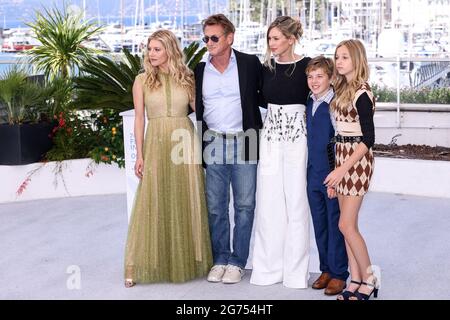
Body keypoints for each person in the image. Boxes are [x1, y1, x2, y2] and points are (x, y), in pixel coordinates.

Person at [124, 30, 212, 287]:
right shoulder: (141, 80)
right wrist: (140, 155)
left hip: (184, 141)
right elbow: (139, 119)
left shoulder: (187, 78)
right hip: (157, 143)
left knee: (186, 198)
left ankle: (191, 260)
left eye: (157, 49)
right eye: (149, 49)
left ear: (170, 50)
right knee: (153, 200)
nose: (151, 54)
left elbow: (200, 110)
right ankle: (139, 264)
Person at [194, 14, 263, 284]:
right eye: (206, 38)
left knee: (245, 205)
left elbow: (267, 93)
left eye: (214, 37)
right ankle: (220, 258)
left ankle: (238, 261)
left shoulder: (249, 63)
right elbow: (194, 103)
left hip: (245, 139)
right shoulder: (200, 70)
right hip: (213, 142)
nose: (209, 42)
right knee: (215, 206)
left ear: (229, 38)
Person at [250, 16, 311, 289]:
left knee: (297, 203)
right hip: (271, 137)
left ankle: (296, 273)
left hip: (299, 137)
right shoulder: (266, 68)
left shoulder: (308, 66)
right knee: (269, 203)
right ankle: (267, 270)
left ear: (290, 38)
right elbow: (256, 99)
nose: (271, 44)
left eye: (276, 38)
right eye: (269, 39)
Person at [324, 39, 378, 300]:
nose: (339, 61)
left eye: (345, 57)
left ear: (357, 59)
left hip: (357, 162)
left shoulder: (362, 93)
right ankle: (355, 279)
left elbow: (368, 139)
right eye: (337, 57)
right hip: (342, 157)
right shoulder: (342, 89)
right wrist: (336, 172)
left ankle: (370, 278)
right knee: (348, 224)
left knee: (346, 224)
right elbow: (339, 135)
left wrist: (341, 170)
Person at [305, 56, 349, 295]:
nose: (314, 81)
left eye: (320, 76)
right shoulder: (310, 102)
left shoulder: (335, 105)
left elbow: (340, 143)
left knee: (335, 225)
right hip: (312, 173)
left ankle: (339, 272)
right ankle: (325, 268)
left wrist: (335, 176)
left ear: (331, 78)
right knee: (319, 224)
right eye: (310, 77)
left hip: (331, 175)